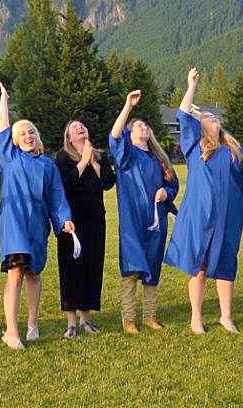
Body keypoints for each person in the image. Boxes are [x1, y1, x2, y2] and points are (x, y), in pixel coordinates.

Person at [164, 67, 243, 334]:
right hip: (200, 214)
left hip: (228, 216)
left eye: (214, 115)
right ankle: (196, 317)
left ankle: (226, 316)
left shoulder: (235, 150)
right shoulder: (194, 146)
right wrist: (191, 86)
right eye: (207, 117)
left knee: (226, 264)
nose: (213, 118)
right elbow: (182, 115)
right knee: (199, 264)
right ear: (200, 126)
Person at [0, 82, 74, 350]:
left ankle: (33, 325)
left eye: (31, 132)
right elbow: (3, 126)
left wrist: (64, 219)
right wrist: (3, 99)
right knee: (15, 273)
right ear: (14, 140)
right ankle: (12, 332)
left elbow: (56, 197)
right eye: (22, 133)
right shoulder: (9, 157)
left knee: (34, 275)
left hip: (38, 225)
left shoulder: (48, 165)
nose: (27, 136)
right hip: (14, 223)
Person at [109, 90, 179, 334]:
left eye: (146, 125)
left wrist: (166, 194)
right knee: (131, 268)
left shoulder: (159, 158)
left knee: (152, 267)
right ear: (130, 133)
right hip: (132, 220)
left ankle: (149, 315)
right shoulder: (125, 156)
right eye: (138, 125)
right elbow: (114, 135)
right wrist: (128, 106)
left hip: (156, 220)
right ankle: (128, 318)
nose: (144, 128)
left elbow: (173, 185)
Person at [55, 120, 115, 338]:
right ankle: (71, 322)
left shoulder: (99, 156)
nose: (79, 128)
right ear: (69, 138)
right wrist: (83, 161)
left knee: (92, 268)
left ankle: (86, 320)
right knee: (71, 269)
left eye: (82, 126)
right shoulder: (62, 158)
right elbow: (65, 184)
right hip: (70, 222)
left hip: (95, 221)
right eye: (73, 127)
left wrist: (94, 162)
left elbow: (108, 182)